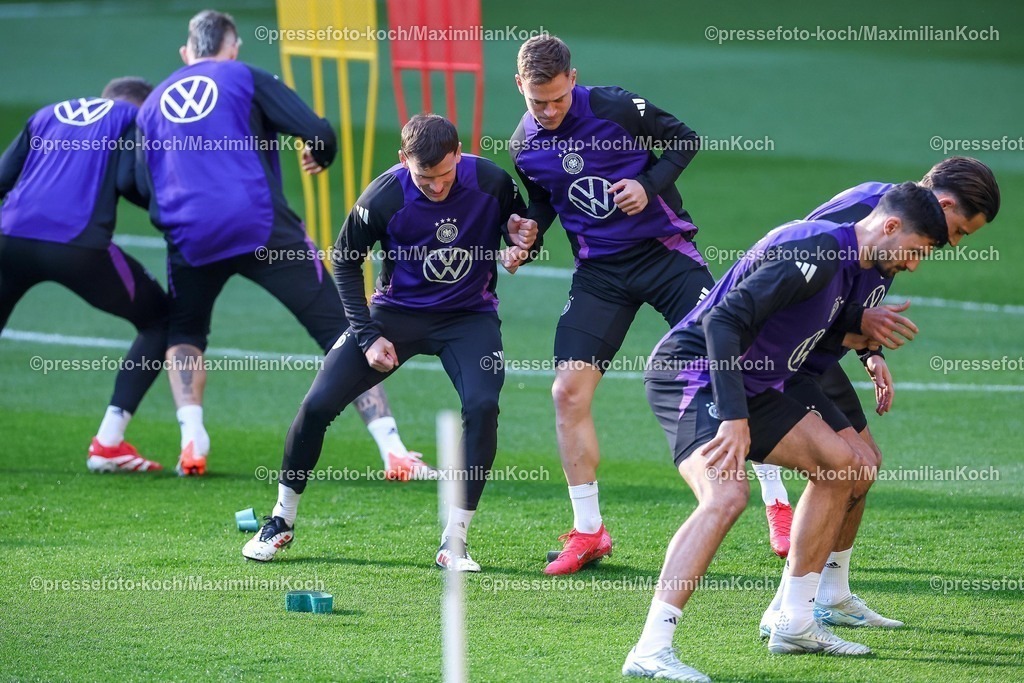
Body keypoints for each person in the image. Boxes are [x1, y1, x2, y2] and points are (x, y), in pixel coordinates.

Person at [623, 183, 948, 681]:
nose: (915, 264)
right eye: (917, 250)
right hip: (693, 374)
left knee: (844, 466)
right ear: (890, 227)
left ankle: (794, 622)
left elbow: (819, 318)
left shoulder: (857, 266)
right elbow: (723, 322)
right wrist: (734, 417)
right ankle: (650, 649)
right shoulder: (817, 251)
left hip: (752, 384)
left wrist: (866, 339)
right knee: (726, 496)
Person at [242, 114, 537, 570]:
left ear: (459, 154)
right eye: (424, 177)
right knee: (317, 406)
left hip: (469, 316)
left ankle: (455, 539)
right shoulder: (383, 197)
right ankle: (281, 519)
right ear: (403, 159)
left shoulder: (491, 181)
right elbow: (344, 261)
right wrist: (368, 335)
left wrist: (522, 245)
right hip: (396, 314)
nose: (436, 187)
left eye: (445, 175)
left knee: (482, 407)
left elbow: (519, 234)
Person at [135, 10, 419, 477]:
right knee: (340, 328)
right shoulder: (242, 75)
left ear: (187, 53)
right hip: (259, 226)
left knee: (185, 330)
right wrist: (320, 154)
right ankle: (393, 449)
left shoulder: (151, 104)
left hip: (190, 235)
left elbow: (144, 182)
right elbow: (319, 130)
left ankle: (192, 438)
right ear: (232, 48)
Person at [756, 157, 999, 635]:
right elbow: (796, 281)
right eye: (960, 231)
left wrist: (869, 351)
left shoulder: (905, 221)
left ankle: (831, 596)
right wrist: (858, 325)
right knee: (844, 468)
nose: (953, 243)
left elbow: (856, 298)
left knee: (865, 465)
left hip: (818, 351)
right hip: (784, 355)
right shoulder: (872, 212)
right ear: (944, 203)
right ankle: (788, 611)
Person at [510, 35, 714, 575]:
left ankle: (777, 506)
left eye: (558, 98)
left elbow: (685, 140)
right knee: (567, 393)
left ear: (573, 80)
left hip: (665, 254)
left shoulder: (616, 107)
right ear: (519, 86)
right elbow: (544, 202)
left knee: (728, 360)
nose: (549, 111)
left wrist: (648, 185)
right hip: (600, 274)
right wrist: (527, 236)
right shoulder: (523, 145)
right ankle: (588, 531)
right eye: (537, 102)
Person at [0, 77, 168, 472]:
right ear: (143, 105)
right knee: (161, 320)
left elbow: (3, 179)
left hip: (8, 239)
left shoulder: (46, 114)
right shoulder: (133, 118)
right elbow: (129, 180)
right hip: (77, 245)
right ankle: (108, 445)